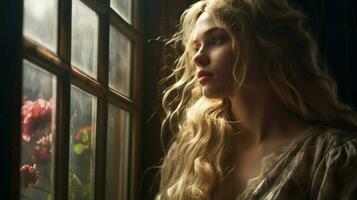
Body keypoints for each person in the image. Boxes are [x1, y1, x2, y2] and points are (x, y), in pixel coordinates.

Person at [155, 0, 357, 199]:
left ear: (265, 45)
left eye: (216, 40)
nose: (197, 58)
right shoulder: (189, 152)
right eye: (197, 46)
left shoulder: (331, 158)